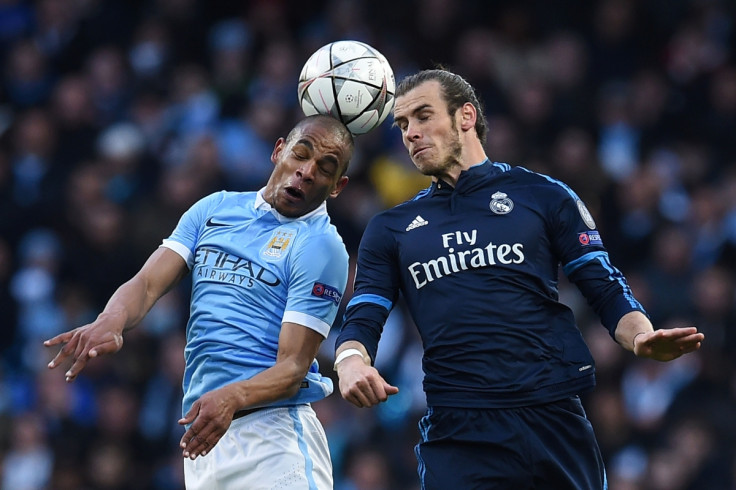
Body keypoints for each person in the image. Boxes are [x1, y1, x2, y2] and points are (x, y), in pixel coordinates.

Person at [333, 69, 705, 489]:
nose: (411, 133)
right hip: (460, 429)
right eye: (402, 125)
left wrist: (640, 336)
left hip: (550, 413)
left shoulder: (543, 195)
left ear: (466, 116)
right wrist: (349, 363)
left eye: (422, 115)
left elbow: (603, 285)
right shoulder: (390, 228)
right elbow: (363, 314)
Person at [45, 114, 354, 490]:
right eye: (300, 154)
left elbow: (292, 368)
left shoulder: (321, 246)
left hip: (272, 441)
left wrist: (233, 396)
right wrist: (111, 318)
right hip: (206, 440)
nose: (306, 172)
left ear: (337, 187)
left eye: (325, 168)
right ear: (278, 151)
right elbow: (146, 285)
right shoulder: (214, 209)